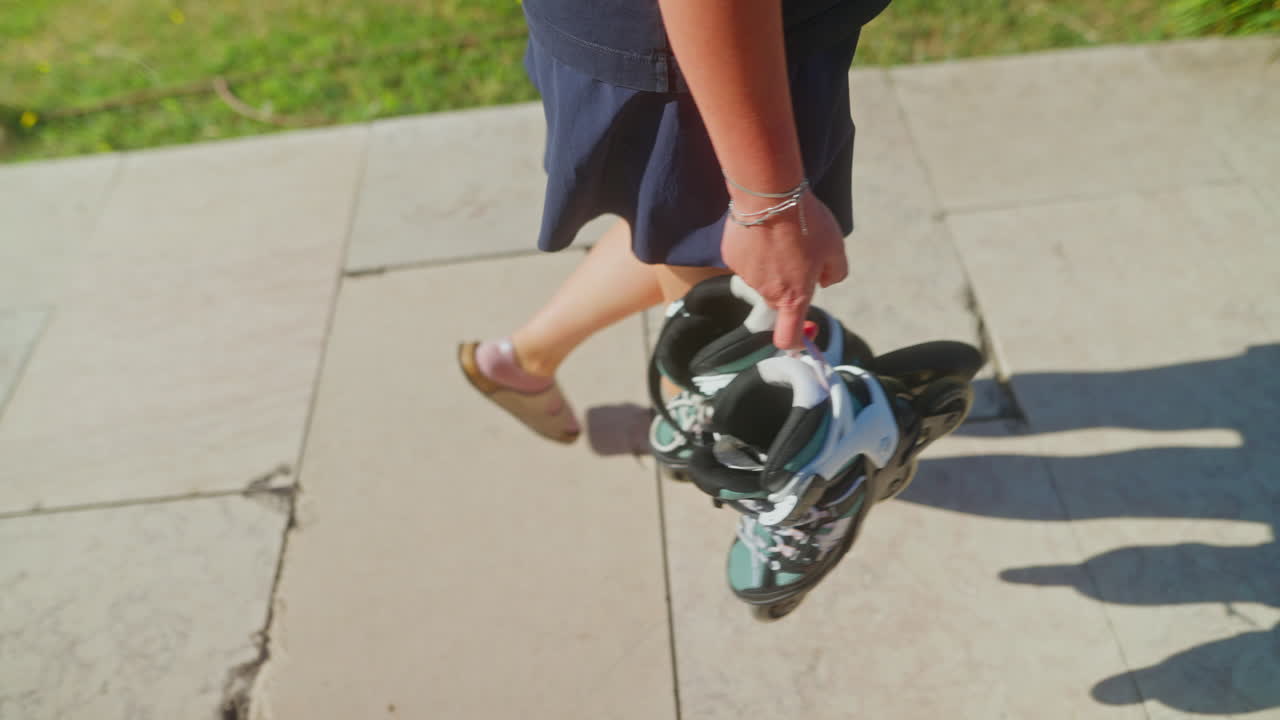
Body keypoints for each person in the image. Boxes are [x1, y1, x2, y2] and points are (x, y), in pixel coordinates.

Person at [459, 0, 892, 444]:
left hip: (695, 40)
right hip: (711, 50)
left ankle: (523, 360)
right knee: (722, 284)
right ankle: (692, 430)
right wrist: (772, 209)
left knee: (688, 232)